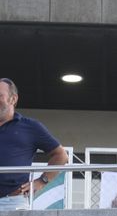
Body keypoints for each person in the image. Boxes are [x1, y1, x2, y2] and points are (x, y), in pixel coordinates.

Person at [0, 77, 68, 206]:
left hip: (12, 202)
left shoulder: (30, 127)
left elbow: (61, 155)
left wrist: (42, 181)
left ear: (13, 99)